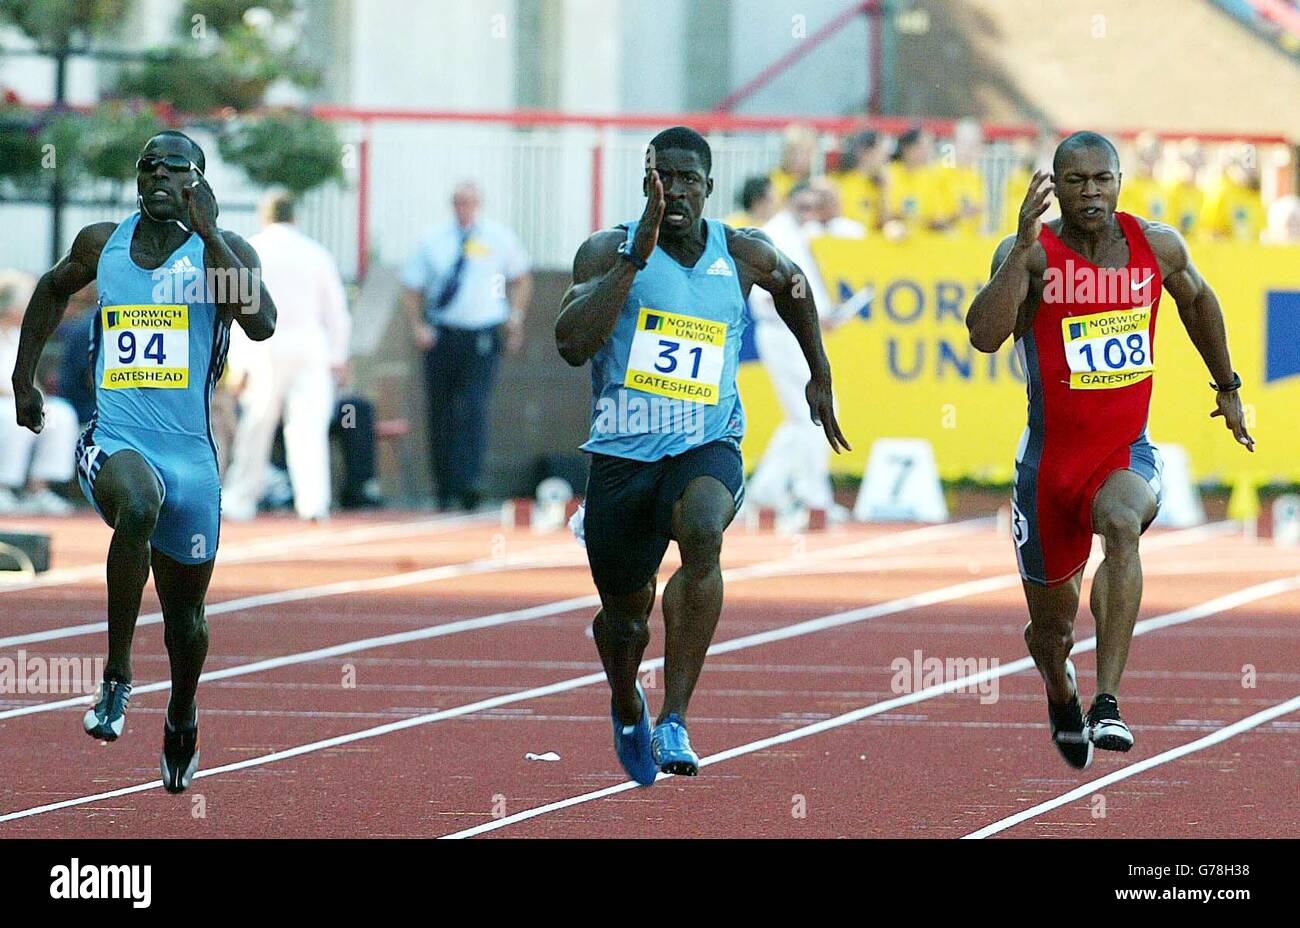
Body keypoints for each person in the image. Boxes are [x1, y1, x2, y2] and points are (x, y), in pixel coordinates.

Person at [555, 127, 849, 784]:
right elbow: (572, 344)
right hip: (622, 456)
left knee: (703, 530)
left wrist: (819, 373)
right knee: (626, 622)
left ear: (709, 187)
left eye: (690, 179)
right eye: (665, 178)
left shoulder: (739, 251)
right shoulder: (606, 251)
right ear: (645, 185)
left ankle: (676, 716)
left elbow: (794, 285)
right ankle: (628, 699)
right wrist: (635, 257)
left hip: (705, 442)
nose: (677, 190)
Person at [966, 131, 1254, 770]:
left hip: (1123, 452)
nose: (1090, 192)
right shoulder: (1033, 256)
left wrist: (1228, 387)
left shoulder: (1157, 245)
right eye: (1076, 181)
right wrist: (1017, 251)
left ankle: (1108, 701)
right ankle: (1060, 683)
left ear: (1119, 182)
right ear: (1055, 187)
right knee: (1051, 633)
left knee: (1123, 524)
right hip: (1047, 468)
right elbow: (984, 336)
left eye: (1102, 179)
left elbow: (1199, 300)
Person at [9, 131, 277, 792]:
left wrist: (211, 236)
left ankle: (182, 709)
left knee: (187, 623)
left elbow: (262, 322)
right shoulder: (104, 243)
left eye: (173, 168)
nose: (157, 175)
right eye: (147, 167)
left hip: (191, 460)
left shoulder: (223, 253)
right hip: (116, 439)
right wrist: (24, 380)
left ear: (197, 181)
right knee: (138, 503)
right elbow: (49, 290)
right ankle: (116, 677)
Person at [401, 181, 532, 510]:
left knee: (474, 407)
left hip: (482, 333)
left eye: (470, 202)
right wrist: (418, 326)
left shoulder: (498, 238)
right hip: (444, 333)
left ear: (479, 204)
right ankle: (445, 486)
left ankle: (470, 481)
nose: (465, 208)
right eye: (459, 202)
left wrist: (514, 319)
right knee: (441, 409)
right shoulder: (433, 240)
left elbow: (521, 278)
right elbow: (412, 287)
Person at [223, 190, 351, 523]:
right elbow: (336, 311)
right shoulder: (316, 253)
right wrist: (338, 355)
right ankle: (313, 503)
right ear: (294, 216)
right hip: (309, 344)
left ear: (263, 216)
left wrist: (237, 363)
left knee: (256, 425)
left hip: (264, 344)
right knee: (308, 427)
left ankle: (239, 499)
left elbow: (239, 309)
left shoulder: (252, 250)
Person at [745, 184, 848, 519]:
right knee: (815, 410)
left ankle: (766, 490)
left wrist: (822, 317)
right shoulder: (775, 235)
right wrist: (815, 319)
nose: (810, 212)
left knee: (800, 418)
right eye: (803, 205)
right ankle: (811, 496)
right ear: (789, 201)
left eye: (814, 207)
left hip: (795, 332)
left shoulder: (797, 235)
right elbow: (765, 297)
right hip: (783, 332)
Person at [1, 271, 78, 515]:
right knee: (10, 417)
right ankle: (3, 487)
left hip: (15, 399)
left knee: (61, 413)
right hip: (2, 404)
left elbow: (30, 378)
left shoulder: (18, 337)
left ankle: (38, 488)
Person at [1199, 143, 1265, 241]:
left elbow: (1259, 229)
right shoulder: (1220, 190)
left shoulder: (1253, 193)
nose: (1249, 172)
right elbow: (1210, 230)